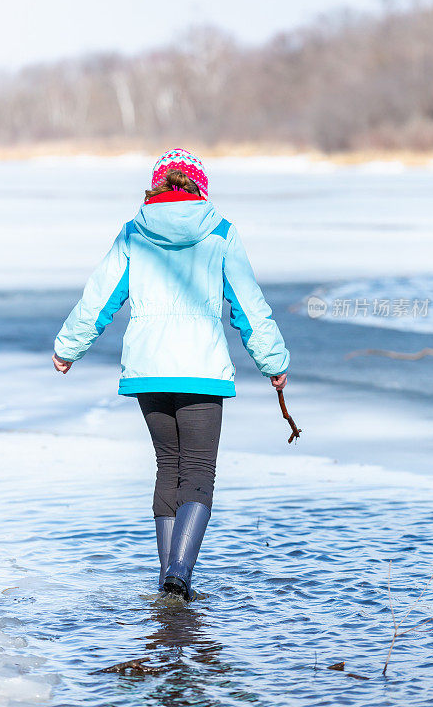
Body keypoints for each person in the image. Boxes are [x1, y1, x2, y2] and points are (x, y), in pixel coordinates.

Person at [52, 149, 289, 600]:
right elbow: (248, 305)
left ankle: (169, 582)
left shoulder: (133, 233)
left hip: (148, 371)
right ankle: (179, 573)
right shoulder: (220, 232)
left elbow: (99, 299)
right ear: (200, 187)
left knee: (167, 469)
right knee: (198, 471)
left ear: (157, 185)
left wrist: (68, 348)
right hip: (201, 370)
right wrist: (273, 363)